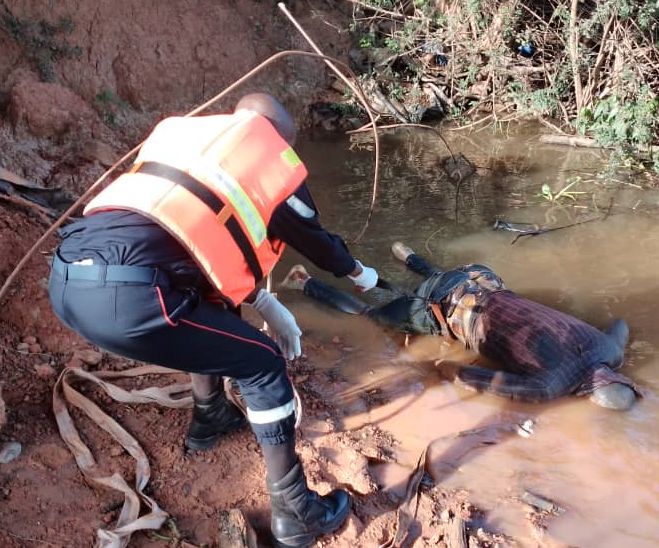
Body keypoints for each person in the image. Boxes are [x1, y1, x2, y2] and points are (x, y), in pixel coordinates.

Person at [47, 93, 379, 547]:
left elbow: (199, 242)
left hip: (66, 279)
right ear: (275, 138)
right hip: (126, 299)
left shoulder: (187, 138)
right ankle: (297, 512)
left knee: (210, 310)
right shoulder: (265, 160)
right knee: (262, 363)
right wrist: (360, 273)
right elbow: (314, 240)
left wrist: (262, 300)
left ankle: (211, 417)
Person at [281, 242, 640, 411]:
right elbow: (469, 377)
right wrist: (438, 367)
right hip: (445, 308)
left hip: (480, 276)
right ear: (592, 396)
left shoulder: (610, 349)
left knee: (440, 283)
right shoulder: (549, 387)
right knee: (371, 317)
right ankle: (303, 282)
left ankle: (406, 254)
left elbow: (621, 323)